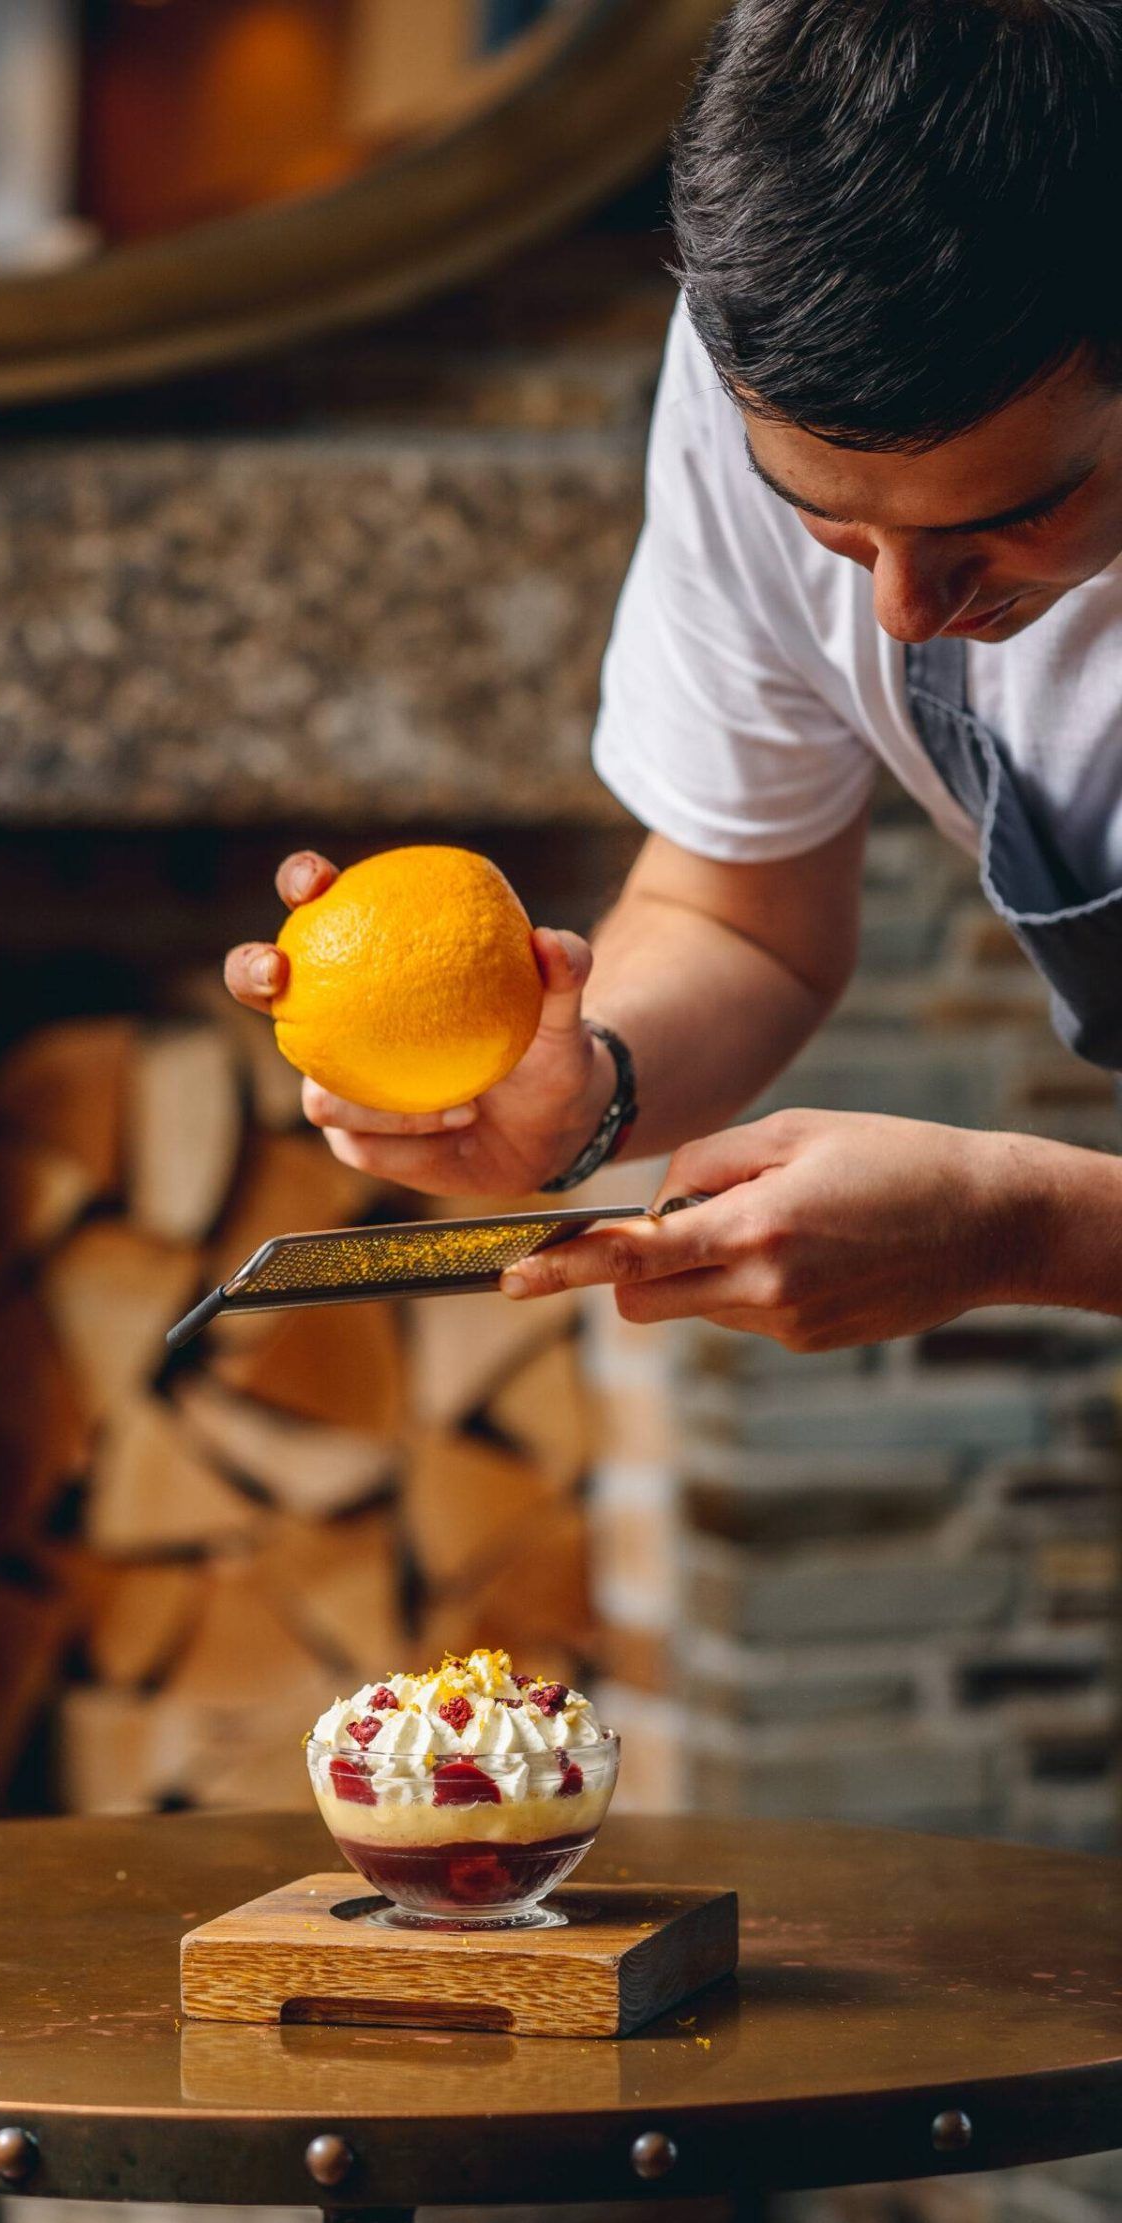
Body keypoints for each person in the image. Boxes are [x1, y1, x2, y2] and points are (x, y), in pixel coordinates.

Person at [225, 0, 1122, 1353]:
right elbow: (740, 915)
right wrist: (580, 1083)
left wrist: (1027, 1225)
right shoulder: (754, 360)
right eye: (830, 518)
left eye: (1004, 516)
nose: (899, 606)